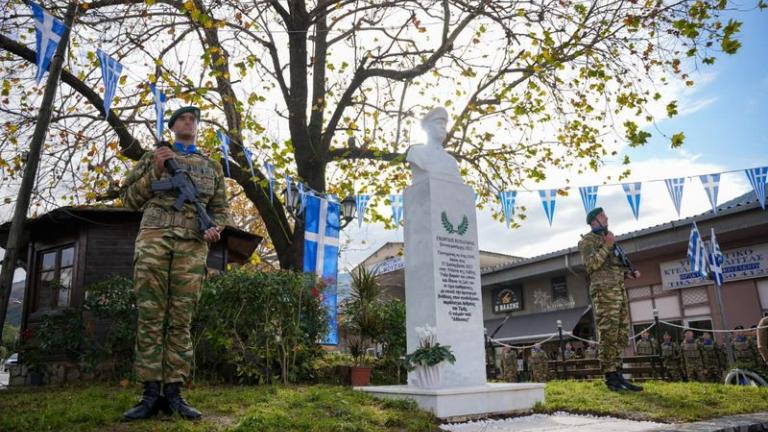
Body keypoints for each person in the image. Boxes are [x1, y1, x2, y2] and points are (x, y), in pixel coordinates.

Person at [120, 106, 231, 421]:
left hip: (192, 246)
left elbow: (221, 209)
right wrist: (155, 171)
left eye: (194, 119)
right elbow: (129, 200)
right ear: (172, 126)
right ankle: (149, 394)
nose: (189, 121)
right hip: (154, 239)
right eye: (183, 118)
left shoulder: (211, 166)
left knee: (181, 319)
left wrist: (215, 228)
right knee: (150, 316)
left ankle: (174, 393)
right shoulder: (152, 158)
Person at [578, 207, 642, 392]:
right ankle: (610, 377)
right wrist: (607, 245)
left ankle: (618, 373)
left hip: (618, 291)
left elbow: (613, 266)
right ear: (593, 221)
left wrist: (627, 274)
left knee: (620, 334)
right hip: (604, 293)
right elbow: (592, 265)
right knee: (608, 333)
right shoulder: (587, 241)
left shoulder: (608, 238)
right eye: (602, 215)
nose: (606, 217)